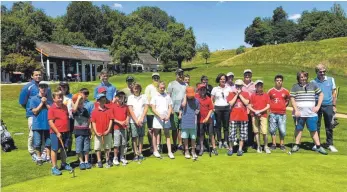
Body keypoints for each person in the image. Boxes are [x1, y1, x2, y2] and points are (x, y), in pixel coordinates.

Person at [290, 71, 327, 155]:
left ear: (307, 77)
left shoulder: (313, 85)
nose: (303, 79)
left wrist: (318, 106)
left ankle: (318, 146)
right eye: (301, 77)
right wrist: (296, 110)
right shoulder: (295, 87)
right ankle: (296, 145)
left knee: (313, 130)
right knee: (299, 129)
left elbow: (321, 94)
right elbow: (292, 99)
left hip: (311, 113)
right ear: (298, 78)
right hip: (299, 113)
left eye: (304, 77)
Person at [19, 69, 52, 161]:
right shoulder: (28, 87)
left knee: (43, 134)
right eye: (36, 75)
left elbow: (49, 100)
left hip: (45, 114)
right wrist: (30, 109)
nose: (38, 76)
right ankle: (32, 152)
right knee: (32, 134)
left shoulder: (47, 87)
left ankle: (43, 152)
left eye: (40, 75)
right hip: (32, 114)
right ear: (32, 76)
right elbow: (22, 102)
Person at [311, 63, 338, 152]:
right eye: (320, 72)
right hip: (317, 106)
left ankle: (329, 144)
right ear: (316, 72)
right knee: (316, 125)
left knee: (329, 125)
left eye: (324, 71)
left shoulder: (331, 80)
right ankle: (316, 144)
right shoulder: (313, 82)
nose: (322, 73)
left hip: (328, 105)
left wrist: (334, 105)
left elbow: (334, 93)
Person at [48, 91, 73, 176]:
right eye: (58, 97)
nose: (60, 99)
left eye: (61, 97)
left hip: (65, 131)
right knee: (54, 149)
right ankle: (54, 167)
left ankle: (64, 164)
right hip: (55, 133)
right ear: (54, 99)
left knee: (64, 148)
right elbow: (51, 122)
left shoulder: (65, 107)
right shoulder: (52, 109)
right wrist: (57, 132)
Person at [30, 81, 52, 165]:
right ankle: (39, 158)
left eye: (45, 87)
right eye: (41, 87)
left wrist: (46, 103)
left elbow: (52, 111)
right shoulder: (34, 98)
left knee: (48, 142)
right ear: (39, 88)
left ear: (47, 88)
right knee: (37, 142)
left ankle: (48, 156)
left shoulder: (50, 99)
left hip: (48, 123)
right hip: (38, 124)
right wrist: (41, 103)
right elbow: (34, 111)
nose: (43, 88)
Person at [151, 81, 175, 159]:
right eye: (161, 87)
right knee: (155, 134)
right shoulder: (155, 96)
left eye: (163, 88)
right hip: (158, 118)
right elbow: (153, 108)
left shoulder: (167, 96)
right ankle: (155, 150)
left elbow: (170, 107)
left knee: (167, 134)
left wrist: (168, 115)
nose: (162, 89)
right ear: (158, 88)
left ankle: (169, 152)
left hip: (166, 118)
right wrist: (159, 115)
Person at [226, 79, 250, 156]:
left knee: (242, 134)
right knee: (232, 134)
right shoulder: (231, 93)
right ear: (235, 86)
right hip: (233, 117)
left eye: (239, 85)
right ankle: (231, 149)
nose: (238, 87)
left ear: (242, 86)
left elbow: (246, 103)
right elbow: (231, 103)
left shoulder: (246, 93)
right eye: (237, 86)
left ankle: (240, 149)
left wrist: (240, 95)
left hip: (243, 117)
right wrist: (236, 95)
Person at [91, 93, 114, 168]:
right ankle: (99, 160)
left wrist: (108, 130)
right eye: (101, 99)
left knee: (107, 146)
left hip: (107, 131)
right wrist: (95, 131)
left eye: (104, 99)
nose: (103, 100)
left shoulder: (108, 110)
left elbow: (111, 120)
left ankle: (107, 159)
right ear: (98, 101)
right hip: (98, 132)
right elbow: (93, 122)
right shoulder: (94, 111)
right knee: (98, 147)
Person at [248, 80, 271, 154]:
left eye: (261, 86)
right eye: (258, 86)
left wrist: (260, 111)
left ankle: (266, 146)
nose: (259, 87)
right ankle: (258, 146)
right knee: (256, 131)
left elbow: (268, 105)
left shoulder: (266, 95)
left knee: (264, 132)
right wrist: (255, 111)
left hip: (263, 115)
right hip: (254, 115)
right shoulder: (252, 95)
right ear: (256, 87)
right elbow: (249, 105)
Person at [268, 75, 290, 150]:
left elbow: (287, 100)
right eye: (277, 80)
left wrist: (283, 106)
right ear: (275, 81)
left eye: (280, 80)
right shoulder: (271, 91)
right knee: (272, 130)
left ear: (282, 82)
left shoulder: (286, 91)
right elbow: (268, 100)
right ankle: (273, 144)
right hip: (273, 113)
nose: (279, 82)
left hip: (282, 114)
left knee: (282, 130)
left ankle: (282, 144)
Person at [167, 68, 187, 151]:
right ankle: (174, 144)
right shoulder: (171, 84)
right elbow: (168, 96)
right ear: (176, 74)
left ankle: (180, 144)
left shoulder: (185, 85)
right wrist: (170, 108)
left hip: (183, 109)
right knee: (174, 128)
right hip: (174, 109)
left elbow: (186, 96)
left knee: (181, 128)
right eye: (178, 74)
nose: (180, 75)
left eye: (181, 73)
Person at [128, 83, 148, 161]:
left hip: (143, 120)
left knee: (141, 136)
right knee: (134, 137)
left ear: (140, 89)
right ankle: (135, 153)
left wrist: (142, 118)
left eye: (137, 88)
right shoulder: (130, 97)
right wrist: (136, 120)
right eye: (135, 88)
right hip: (133, 121)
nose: (136, 90)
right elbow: (130, 109)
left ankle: (140, 152)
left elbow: (146, 108)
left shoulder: (144, 96)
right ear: (132, 89)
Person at [196, 83, 218, 156]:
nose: (202, 91)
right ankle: (202, 148)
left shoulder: (208, 99)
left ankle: (214, 148)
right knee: (201, 135)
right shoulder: (196, 97)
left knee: (211, 134)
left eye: (204, 89)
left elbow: (211, 109)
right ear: (198, 90)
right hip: (200, 120)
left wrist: (207, 118)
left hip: (209, 120)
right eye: (201, 89)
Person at [72, 93, 92, 170]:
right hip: (78, 132)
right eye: (79, 102)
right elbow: (74, 109)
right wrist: (78, 99)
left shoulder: (85, 110)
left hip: (86, 131)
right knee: (79, 148)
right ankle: (81, 162)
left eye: (82, 102)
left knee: (86, 148)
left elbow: (88, 120)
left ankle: (86, 161)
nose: (81, 104)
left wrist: (90, 130)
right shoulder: (75, 110)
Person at [179, 86, 200, 160]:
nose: (190, 96)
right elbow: (182, 106)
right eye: (189, 94)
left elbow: (198, 109)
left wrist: (195, 113)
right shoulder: (183, 100)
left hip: (193, 121)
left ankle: (193, 151)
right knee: (185, 137)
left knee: (193, 137)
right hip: (185, 121)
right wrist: (185, 97)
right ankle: (186, 151)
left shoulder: (196, 101)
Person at [211, 73, 231, 149]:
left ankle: (225, 141)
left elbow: (231, 98)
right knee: (218, 126)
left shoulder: (228, 88)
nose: (223, 80)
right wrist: (213, 108)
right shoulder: (215, 89)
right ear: (219, 80)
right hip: (218, 108)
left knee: (226, 126)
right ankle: (219, 141)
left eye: (224, 79)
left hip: (226, 108)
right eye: (221, 79)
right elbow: (211, 99)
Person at [111, 91, 130, 166]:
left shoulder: (125, 106)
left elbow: (128, 115)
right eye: (120, 97)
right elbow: (112, 118)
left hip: (124, 127)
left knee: (123, 143)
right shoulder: (113, 106)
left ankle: (122, 157)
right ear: (117, 98)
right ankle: (115, 158)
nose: (121, 99)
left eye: (123, 97)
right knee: (116, 144)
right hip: (116, 128)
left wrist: (127, 120)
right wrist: (120, 122)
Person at [145, 72, 161, 153]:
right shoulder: (149, 87)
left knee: (158, 129)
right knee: (151, 129)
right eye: (154, 77)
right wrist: (153, 108)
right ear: (152, 78)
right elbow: (147, 99)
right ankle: (152, 145)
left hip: (159, 113)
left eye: (157, 77)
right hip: (150, 112)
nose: (156, 79)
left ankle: (158, 145)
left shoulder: (161, 87)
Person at [57, 81, 74, 154]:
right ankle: (61, 148)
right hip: (59, 118)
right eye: (62, 87)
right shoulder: (57, 95)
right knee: (60, 134)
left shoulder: (71, 96)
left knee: (69, 134)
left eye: (65, 87)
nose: (63, 88)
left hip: (69, 117)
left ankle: (68, 149)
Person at [242, 69, 256, 149]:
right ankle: (244, 141)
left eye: (249, 75)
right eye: (246, 75)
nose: (247, 76)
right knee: (244, 126)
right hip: (243, 108)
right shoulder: (241, 85)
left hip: (252, 108)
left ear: (251, 76)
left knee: (252, 126)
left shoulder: (254, 85)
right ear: (244, 76)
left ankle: (251, 141)